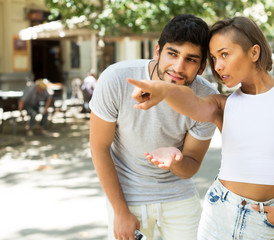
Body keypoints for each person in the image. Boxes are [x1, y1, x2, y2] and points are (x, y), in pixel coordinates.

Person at [128, 16, 274, 239]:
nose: (218, 65)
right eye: (213, 58)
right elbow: (191, 101)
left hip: (266, 221)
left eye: (224, 54)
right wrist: (162, 89)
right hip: (218, 214)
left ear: (254, 52)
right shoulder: (222, 104)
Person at [89, 14, 219, 240]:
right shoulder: (116, 79)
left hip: (179, 195)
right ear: (157, 52)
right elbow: (99, 147)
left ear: (201, 67)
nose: (178, 67)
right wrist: (120, 211)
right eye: (173, 54)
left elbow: (192, 164)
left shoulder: (207, 98)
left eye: (190, 59)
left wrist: (175, 162)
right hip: (126, 195)